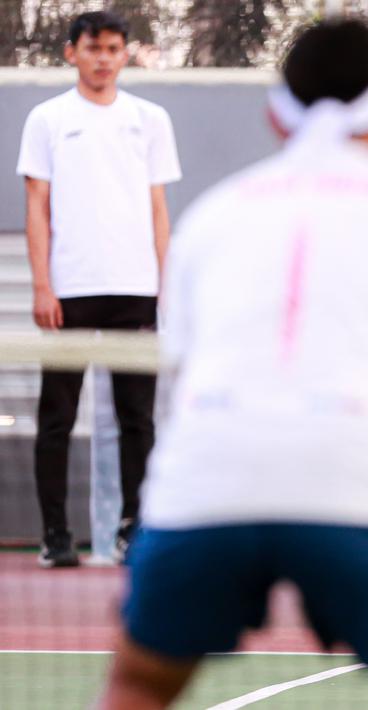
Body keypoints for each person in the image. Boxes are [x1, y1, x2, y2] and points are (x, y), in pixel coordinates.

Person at [97, 19, 368, 710]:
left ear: (273, 114)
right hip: (353, 491)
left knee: (138, 685)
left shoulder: (210, 215)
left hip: (206, 486)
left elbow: (185, 373)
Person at [15, 10, 181, 568]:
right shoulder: (47, 118)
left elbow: (158, 208)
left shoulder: (151, 119)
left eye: (113, 48)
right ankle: (55, 536)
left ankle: (136, 529)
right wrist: (43, 285)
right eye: (93, 48)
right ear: (72, 53)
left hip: (135, 289)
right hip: (69, 290)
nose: (103, 58)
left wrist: (166, 282)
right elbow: (36, 206)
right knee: (57, 417)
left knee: (139, 419)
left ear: (125, 53)